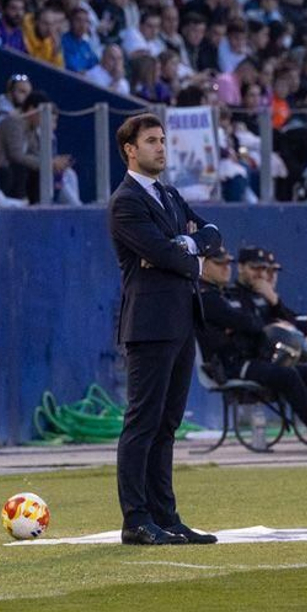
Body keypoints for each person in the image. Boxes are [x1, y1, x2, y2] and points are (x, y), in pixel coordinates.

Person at [108, 113, 224, 545]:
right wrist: (185, 252)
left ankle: (165, 515)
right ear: (130, 150)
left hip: (180, 319)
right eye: (152, 141)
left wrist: (186, 246)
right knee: (143, 421)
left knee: (168, 423)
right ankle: (135, 519)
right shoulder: (126, 201)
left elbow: (210, 233)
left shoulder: (169, 195)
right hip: (150, 323)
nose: (161, 147)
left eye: (162, 140)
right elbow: (162, 252)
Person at [195, 251, 307, 452]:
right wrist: (248, 325)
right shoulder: (207, 297)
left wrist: (248, 324)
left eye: (227, 263)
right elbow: (250, 324)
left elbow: (256, 324)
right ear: (203, 265)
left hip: (253, 357)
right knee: (290, 374)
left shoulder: (225, 295)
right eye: (219, 264)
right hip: (232, 364)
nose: (225, 268)